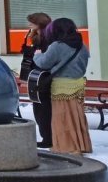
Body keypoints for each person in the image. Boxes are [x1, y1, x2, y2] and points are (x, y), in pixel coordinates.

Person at [33, 18, 92, 156]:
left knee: (62, 116)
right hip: (78, 85)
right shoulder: (82, 45)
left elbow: (44, 63)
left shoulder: (57, 46)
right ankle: (81, 144)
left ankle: (67, 146)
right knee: (76, 116)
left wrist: (37, 55)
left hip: (61, 86)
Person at [21, 12, 53, 148]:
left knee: (44, 109)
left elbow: (45, 58)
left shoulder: (49, 38)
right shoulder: (35, 36)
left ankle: (48, 138)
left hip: (43, 77)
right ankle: (45, 136)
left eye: (32, 22)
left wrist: (36, 54)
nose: (29, 24)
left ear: (40, 23)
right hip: (35, 75)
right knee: (38, 108)